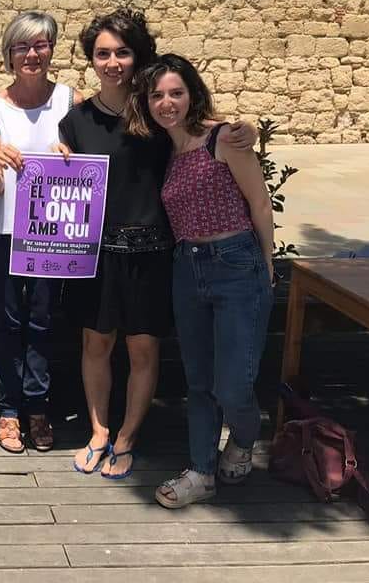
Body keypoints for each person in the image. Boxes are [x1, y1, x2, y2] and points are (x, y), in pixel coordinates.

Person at [61, 10, 259, 479]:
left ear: (137, 56)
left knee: (143, 350)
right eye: (103, 53)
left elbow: (205, 129)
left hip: (153, 254)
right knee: (95, 343)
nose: (113, 62)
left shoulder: (156, 110)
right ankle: (98, 431)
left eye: (122, 52)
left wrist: (242, 127)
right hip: (97, 253)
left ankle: (127, 436)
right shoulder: (76, 120)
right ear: (91, 60)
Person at [127, 53, 274, 508]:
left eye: (175, 92)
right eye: (157, 95)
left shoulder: (223, 139)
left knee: (233, 384)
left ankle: (246, 438)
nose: (166, 103)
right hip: (187, 268)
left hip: (235, 263)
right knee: (198, 381)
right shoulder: (164, 150)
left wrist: (266, 267)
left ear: (192, 94)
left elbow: (260, 204)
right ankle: (201, 472)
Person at [0, 11, 83, 454]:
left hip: (52, 232)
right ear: (8, 55)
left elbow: (86, 171)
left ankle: (37, 407)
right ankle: (7, 408)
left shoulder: (70, 101)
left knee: (42, 319)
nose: (31, 54)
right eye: (22, 46)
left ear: (52, 50)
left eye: (40, 45)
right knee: (6, 319)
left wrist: (71, 157)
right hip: (4, 228)